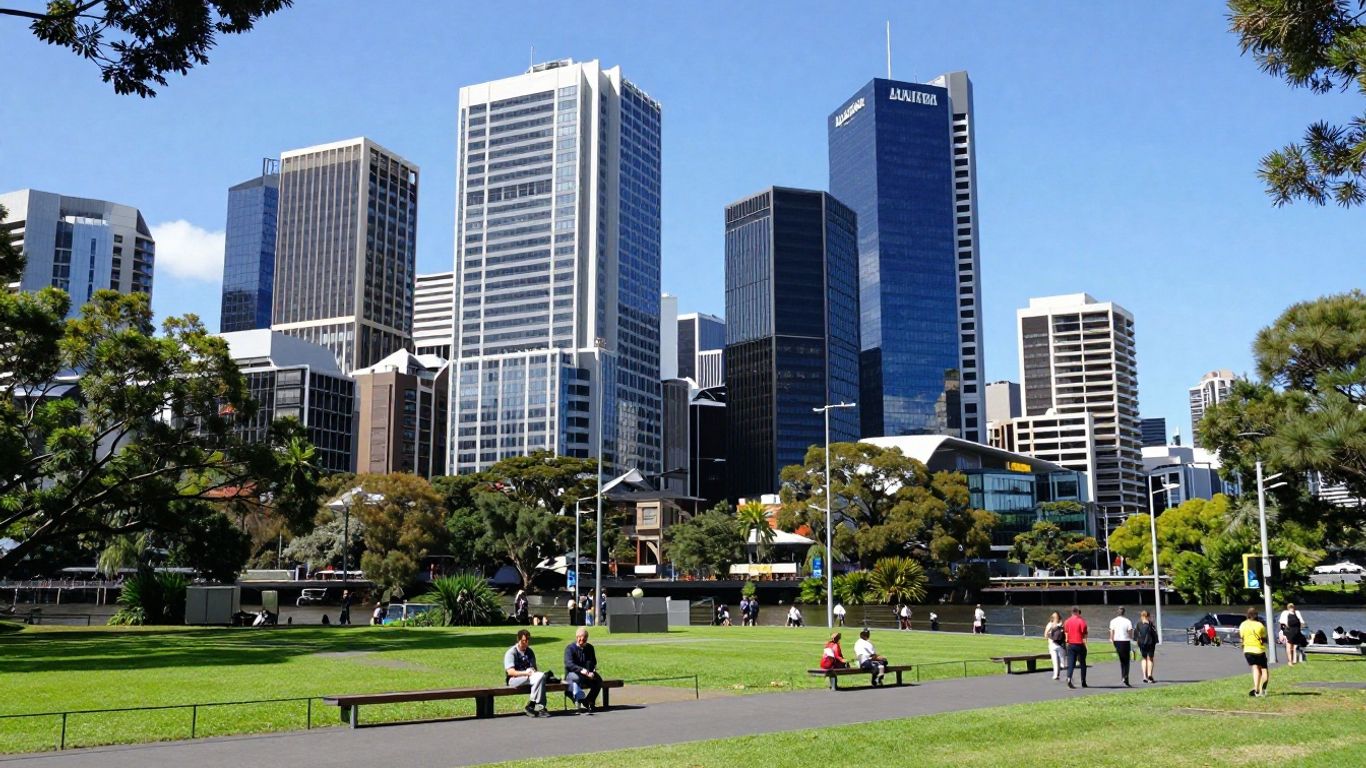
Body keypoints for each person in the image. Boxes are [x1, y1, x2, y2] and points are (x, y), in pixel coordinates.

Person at [504, 629, 549, 717]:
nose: (526, 643)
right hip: (514, 679)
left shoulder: (530, 652)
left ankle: (535, 705)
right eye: (524, 641)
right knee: (537, 679)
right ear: (518, 640)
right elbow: (510, 672)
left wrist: (532, 671)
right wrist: (525, 673)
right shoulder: (511, 652)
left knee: (541, 676)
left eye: (528, 640)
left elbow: (534, 668)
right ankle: (535, 705)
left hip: (529, 677)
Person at [563, 627, 601, 714]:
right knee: (577, 678)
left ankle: (588, 701)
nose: (582, 640)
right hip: (572, 673)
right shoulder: (570, 648)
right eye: (580, 638)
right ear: (576, 638)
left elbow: (593, 661)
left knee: (598, 680)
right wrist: (581, 670)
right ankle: (574, 696)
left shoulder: (590, 648)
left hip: (586, 673)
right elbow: (569, 664)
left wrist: (591, 671)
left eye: (584, 639)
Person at [1240, 606, 1270, 697]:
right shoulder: (1260, 625)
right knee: (1264, 669)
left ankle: (1256, 689)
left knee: (1255, 668)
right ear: (1256, 615)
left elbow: (1242, 637)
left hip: (1248, 650)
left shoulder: (1243, 624)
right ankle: (1263, 690)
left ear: (1248, 615)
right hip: (1259, 650)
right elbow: (1264, 637)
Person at [1063, 605, 1088, 689]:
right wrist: (1086, 644)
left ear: (1071, 612)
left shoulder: (1067, 621)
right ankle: (1083, 681)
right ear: (1078, 612)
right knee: (1082, 663)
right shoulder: (1081, 621)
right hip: (1079, 644)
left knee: (1071, 663)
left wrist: (1067, 641)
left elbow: (1066, 632)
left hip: (1071, 644)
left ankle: (1069, 678)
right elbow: (1084, 633)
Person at [1109, 606, 1134, 686]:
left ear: (1117, 612)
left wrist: (1112, 640)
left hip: (1117, 641)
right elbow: (1130, 632)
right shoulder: (1127, 621)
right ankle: (1125, 677)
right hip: (1125, 641)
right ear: (1124, 613)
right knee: (1126, 661)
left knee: (1121, 660)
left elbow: (1112, 632)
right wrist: (1131, 638)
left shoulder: (1113, 621)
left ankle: (1124, 676)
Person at [1134, 609, 1158, 683]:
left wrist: (1137, 642)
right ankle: (1150, 674)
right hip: (1150, 643)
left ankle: (1144, 676)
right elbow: (1154, 634)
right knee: (1150, 659)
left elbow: (1136, 635)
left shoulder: (1138, 624)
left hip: (1142, 643)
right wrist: (1156, 641)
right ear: (1148, 616)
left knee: (1144, 658)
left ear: (1141, 616)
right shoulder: (1150, 624)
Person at [1044, 611, 1066, 681]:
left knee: (1058, 661)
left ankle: (1057, 673)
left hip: (1057, 645)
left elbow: (1045, 635)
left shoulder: (1058, 624)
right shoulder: (1054, 624)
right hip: (1056, 645)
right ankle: (1057, 674)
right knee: (1057, 661)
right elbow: (1045, 634)